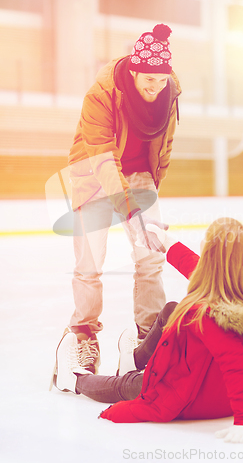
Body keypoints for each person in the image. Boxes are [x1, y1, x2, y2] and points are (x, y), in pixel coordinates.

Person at [54, 218, 243, 443]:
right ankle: (134, 359)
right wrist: (167, 243)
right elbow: (200, 269)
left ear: (210, 256)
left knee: (126, 385)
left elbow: (238, 363)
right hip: (220, 396)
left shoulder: (207, 313)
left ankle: (74, 380)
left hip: (187, 398)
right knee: (171, 310)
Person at [58, 23, 181, 374]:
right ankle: (84, 336)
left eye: (161, 81)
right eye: (148, 81)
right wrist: (124, 203)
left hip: (140, 173)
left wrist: (151, 192)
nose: (155, 88)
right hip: (95, 172)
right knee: (90, 263)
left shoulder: (169, 93)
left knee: (149, 255)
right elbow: (100, 155)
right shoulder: (102, 93)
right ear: (134, 70)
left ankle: (150, 336)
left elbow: (165, 146)